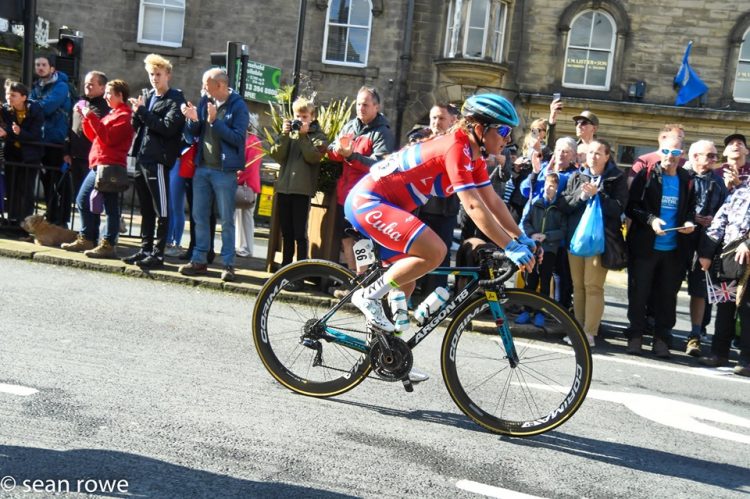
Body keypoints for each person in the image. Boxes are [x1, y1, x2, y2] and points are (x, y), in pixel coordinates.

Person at [344, 93, 536, 335]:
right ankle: (368, 296)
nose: (508, 139)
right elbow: (474, 207)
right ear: (480, 128)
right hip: (369, 201)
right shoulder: (456, 148)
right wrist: (509, 246)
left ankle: (388, 356)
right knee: (435, 251)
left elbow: (493, 202)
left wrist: (521, 238)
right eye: (504, 131)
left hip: (388, 205)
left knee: (406, 282)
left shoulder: (473, 156)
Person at [625, 135, 696, 357]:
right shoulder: (647, 175)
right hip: (645, 247)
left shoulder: (687, 179)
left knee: (667, 297)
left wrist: (688, 223)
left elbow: (691, 210)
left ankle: (661, 339)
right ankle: (635, 337)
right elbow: (632, 208)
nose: (670, 157)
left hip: (674, 250)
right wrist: (651, 220)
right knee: (639, 294)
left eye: (675, 153)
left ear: (681, 155)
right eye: (666, 152)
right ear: (659, 151)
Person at [178, 68, 249, 282]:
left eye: (205, 84)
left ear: (219, 85)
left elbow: (238, 139)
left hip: (224, 172)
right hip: (203, 168)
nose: (202, 88)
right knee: (199, 216)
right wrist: (191, 121)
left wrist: (214, 122)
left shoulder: (238, 106)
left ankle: (228, 264)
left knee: (227, 219)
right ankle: (199, 259)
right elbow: (193, 135)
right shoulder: (204, 101)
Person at [560, 139, 628, 347]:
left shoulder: (616, 178)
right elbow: (564, 204)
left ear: (608, 156)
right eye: (590, 152)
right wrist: (582, 195)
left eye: (599, 153)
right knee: (578, 286)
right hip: (576, 239)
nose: (593, 156)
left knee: (593, 286)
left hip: (601, 240)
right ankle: (578, 329)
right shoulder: (577, 176)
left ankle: (589, 332)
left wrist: (599, 195)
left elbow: (618, 208)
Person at [122, 54, 186, 269]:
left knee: (162, 208)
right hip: (142, 156)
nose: (154, 78)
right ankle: (145, 249)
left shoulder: (175, 98)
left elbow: (167, 128)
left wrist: (142, 111)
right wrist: (136, 112)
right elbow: (137, 126)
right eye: (151, 74)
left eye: (158, 74)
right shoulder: (148, 96)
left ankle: (158, 254)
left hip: (158, 159)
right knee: (145, 208)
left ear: (168, 74)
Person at [61, 79, 134, 258]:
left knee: (109, 206)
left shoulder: (124, 116)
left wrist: (90, 116)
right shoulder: (112, 114)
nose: (107, 97)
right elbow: (95, 136)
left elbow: (108, 138)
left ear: (120, 96)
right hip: (99, 163)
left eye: (110, 93)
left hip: (110, 164)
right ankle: (87, 237)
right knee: (83, 199)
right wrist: (86, 118)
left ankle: (107, 243)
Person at [327, 86, 395, 271]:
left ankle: (362, 281)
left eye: (365, 104)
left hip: (366, 196)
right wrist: (337, 151)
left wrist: (351, 156)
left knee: (361, 239)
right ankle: (353, 278)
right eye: (358, 104)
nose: (360, 108)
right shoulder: (350, 126)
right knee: (346, 237)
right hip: (344, 194)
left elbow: (379, 165)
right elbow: (333, 149)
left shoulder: (382, 133)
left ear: (376, 107)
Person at [697, 182, 750, 377]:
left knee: (747, 311)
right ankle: (718, 353)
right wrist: (707, 252)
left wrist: (749, 243)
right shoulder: (740, 191)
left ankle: (747, 360)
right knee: (725, 305)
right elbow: (720, 221)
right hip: (730, 257)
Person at [269, 96, 328, 268]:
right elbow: (276, 154)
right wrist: (285, 135)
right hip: (284, 189)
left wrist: (303, 136)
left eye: (304, 117)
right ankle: (285, 268)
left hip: (301, 191)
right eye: (298, 116)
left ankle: (299, 272)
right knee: (286, 232)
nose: (300, 120)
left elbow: (313, 157)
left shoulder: (318, 136)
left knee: (299, 234)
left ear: (312, 117)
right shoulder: (289, 134)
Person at [684, 140, 727, 357]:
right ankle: (658, 331)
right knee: (666, 287)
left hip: (706, 243)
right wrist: (691, 218)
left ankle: (695, 334)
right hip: (679, 241)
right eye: (709, 156)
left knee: (699, 290)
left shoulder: (719, 183)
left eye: (715, 156)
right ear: (694, 157)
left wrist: (713, 220)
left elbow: (724, 213)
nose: (713, 160)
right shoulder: (682, 177)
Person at [518, 171, 567, 327]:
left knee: (545, 281)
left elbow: (563, 230)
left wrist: (547, 236)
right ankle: (526, 310)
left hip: (550, 249)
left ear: (557, 188)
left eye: (552, 186)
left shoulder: (559, 208)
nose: (548, 188)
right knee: (530, 280)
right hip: (533, 247)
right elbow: (526, 222)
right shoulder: (536, 203)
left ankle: (540, 312)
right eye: (546, 185)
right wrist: (532, 234)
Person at [31, 54, 74, 228]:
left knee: (61, 182)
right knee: (47, 181)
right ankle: (51, 216)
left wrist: (33, 105)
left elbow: (47, 107)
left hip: (57, 141)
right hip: (42, 140)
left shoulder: (61, 86)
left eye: (43, 65)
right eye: (37, 64)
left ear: (52, 68)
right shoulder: (36, 86)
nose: (40, 68)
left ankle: (62, 220)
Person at [0, 81, 44, 227]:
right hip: (12, 154)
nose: (9, 98)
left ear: (23, 97)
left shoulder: (35, 109)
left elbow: (36, 134)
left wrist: (19, 133)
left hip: (30, 156)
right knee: (12, 187)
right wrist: (9, 134)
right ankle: (12, 220)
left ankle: (26, 223)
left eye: (13, 95)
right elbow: (8, 133)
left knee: (26, 189)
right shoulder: (6, 110)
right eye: (7, 94)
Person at [64, 71, 110, 197]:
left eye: (91, 84)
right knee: (78, 196)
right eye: (86, 84)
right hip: (75, 157)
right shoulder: (80, 102)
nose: (87, 87)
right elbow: (70, 127)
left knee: (88, 198)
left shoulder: (106, 106)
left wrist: (88, 115)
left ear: (102, 87)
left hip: (91, 159)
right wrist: (67, 151)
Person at [235, 114, 264, 258]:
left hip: (249, 185)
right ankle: (240, 247)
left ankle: (247, 248)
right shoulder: (246, 140)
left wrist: (236, 176)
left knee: (246, 216)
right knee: (239, 217)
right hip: (244, 183)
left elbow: (250, 167)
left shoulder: (254, 142)